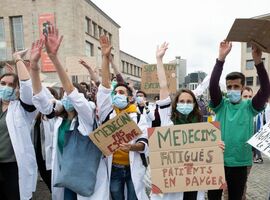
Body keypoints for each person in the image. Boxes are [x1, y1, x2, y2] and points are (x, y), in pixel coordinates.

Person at [30, 27, 109, 200]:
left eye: (71, 95)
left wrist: (54, 58)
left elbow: (74, 95)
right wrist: (34, 68)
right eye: (64, 96)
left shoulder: (87, 118)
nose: (68, 98)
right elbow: (41, 100)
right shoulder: (60, 119)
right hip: (66, 180)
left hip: (87, 180)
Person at [208, 40, 270, 200]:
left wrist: (258, 62)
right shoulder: (221, 105)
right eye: (229, 87)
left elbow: (265, 90)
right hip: (217, 160)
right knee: (214, 197)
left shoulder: (250, 107)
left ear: (243, 88)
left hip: (240, 163)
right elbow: (213, 85)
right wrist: (221, 59)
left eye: (236, 87)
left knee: (236, 197)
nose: (232, 90)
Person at [151, 42, 207, 200]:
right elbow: (163, 86)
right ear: (175, 104)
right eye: (182, 101)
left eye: (189, 102)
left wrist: (216, 147)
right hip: (173, 184)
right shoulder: (167, 118)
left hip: (194, 181)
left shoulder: (201, 127)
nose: (185, 104)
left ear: (195, 105)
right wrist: (159, 60)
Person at [97, 35, 149, 200]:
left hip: (133, 166)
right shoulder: (108, 113)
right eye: (115, 92)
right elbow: (104, 87)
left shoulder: (138, 115)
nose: (117, 95)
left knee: (134, 197)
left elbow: (144, 140)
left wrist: (132, 147)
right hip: (114, 168)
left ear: (129, 98)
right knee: (116, 196)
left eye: (122, 93)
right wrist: (105, 58)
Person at [0, 49, 38, 200]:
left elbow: (28, 88)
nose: (6, 87)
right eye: (3, 83)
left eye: (11, 84)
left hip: (13, 167)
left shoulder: (23, 108)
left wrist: (18, 60)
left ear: (17, 89)